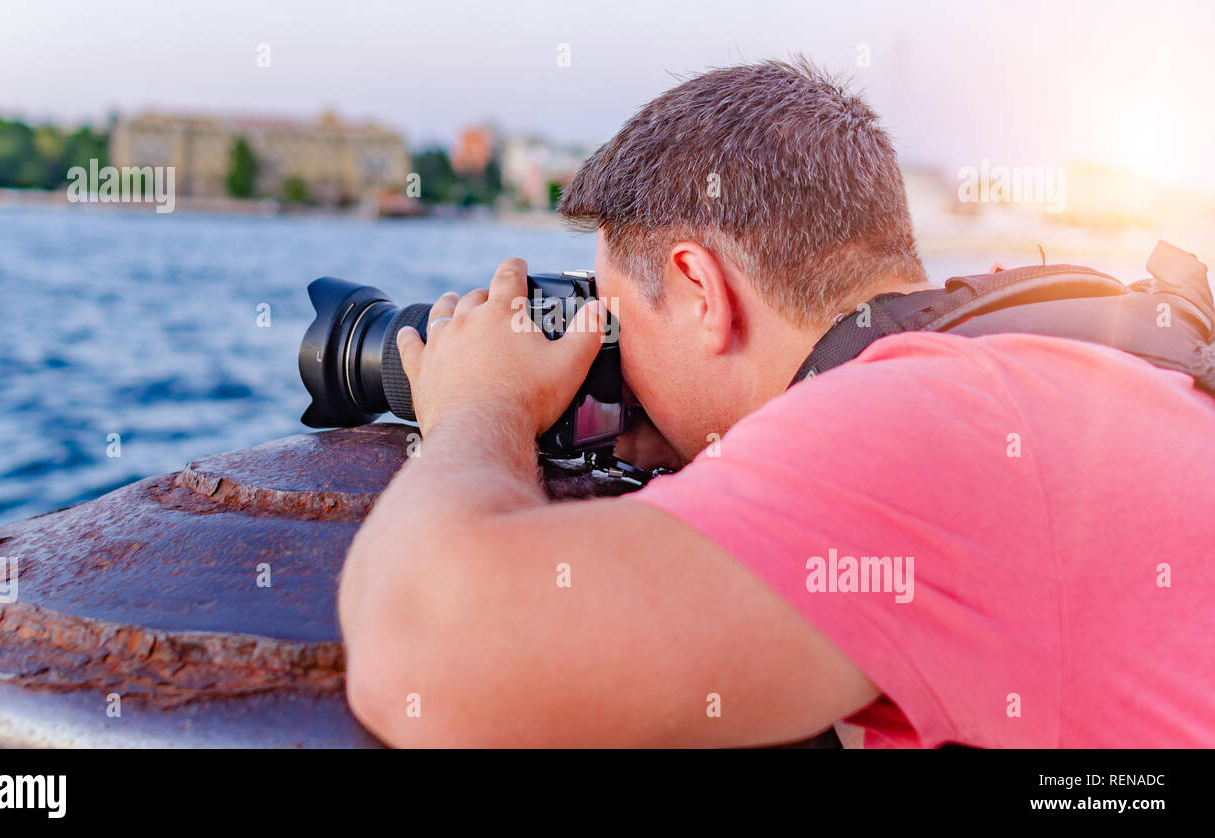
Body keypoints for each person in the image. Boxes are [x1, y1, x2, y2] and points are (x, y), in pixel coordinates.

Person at [337, 59, 1215, 748]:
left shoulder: (917, 422)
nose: (608, 358)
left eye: (617, 318)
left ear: (697, 288)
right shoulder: (1048, 334)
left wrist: (480, 400)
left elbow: (422, 649)